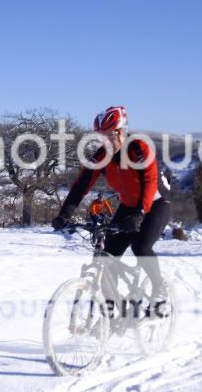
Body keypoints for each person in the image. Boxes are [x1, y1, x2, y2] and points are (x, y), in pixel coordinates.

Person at [52, 106, 172, 302]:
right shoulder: (102, 156)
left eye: (109, 135)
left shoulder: (139, 148)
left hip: (156, 203)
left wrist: (140, 213)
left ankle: (159, 288)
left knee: (141, 247)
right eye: (100, 136)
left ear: (121, 132)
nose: (104, 141)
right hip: (129, 206)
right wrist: (64, 214)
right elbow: (81, 185)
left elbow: (149, 182)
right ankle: (111, 313)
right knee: (107, 257)